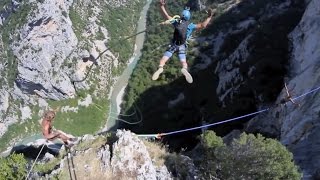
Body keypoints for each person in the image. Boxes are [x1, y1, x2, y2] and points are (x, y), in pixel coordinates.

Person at [152, 0, 215, 83]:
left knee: (163, 59)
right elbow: (203, 25)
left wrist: (161, 6)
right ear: (188, 17)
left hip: (173, 44)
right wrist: (209, 17)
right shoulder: (190, 25)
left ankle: (160, 68)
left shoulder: (176, 22)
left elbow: (166, 16)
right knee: (183, 61)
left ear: (181, 16)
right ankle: (184, 69)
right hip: (182, 45)